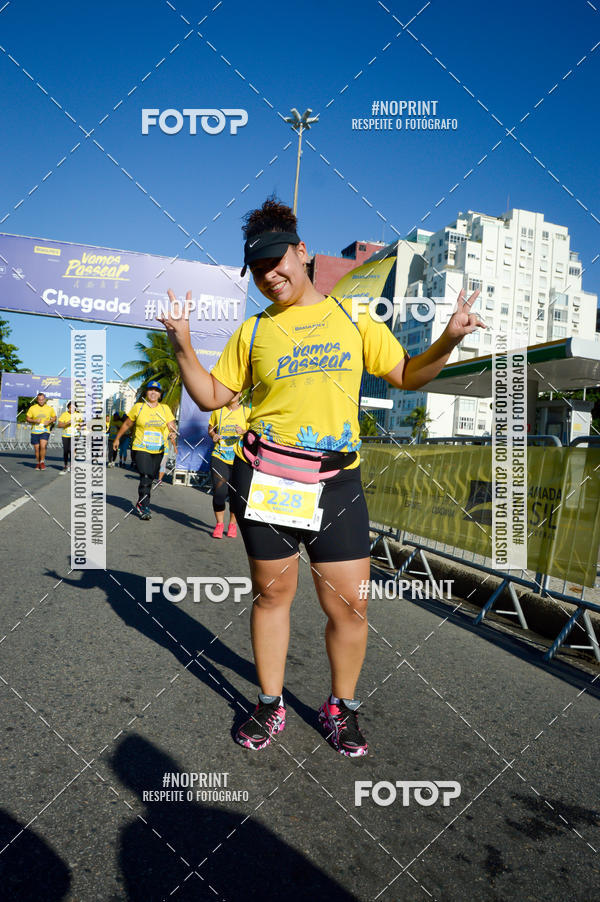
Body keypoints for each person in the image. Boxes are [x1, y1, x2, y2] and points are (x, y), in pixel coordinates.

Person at [158, 197, 483, 756]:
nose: (270, 275)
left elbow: (406, 375)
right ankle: (268, 704)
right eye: (257, 269)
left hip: (336, 484)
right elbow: (213, 397)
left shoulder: (353, 318)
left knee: (350, 605)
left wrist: (449, 337)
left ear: (302, 252)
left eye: (277, 260)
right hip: (268, 480)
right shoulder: (253, 332)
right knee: (271, 597)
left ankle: (341, 707)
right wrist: (184, 345)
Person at [112, 381, 177, 520]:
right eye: (150, 390)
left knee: (150, 477)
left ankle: (142, 501)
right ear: (146, 393)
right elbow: (127, 424)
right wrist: (117, 438)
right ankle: (144, 505)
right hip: (140, 447)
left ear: (160, 395)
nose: (153, 392)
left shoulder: (165, 409)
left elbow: (171, 425)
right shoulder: (139, 407)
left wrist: (172, 433)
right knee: (146, 475)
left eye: (156, 390)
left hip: (158, 449)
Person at [207, 393, 248, 538]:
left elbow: (255, 432)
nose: (233, 394)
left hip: (240, 459)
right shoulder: (219, 411)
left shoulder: (247, 412)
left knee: (236, 495)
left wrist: (244, 431)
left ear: (241, 394)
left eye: (236, 392)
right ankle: (219, 524)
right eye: (230, 391)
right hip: (220, 456)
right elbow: (211, 428)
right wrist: (213, 436)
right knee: (219, 492)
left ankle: (232, 524)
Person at [26, 392, 56, 470]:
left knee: (43, 446)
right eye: (39, 400)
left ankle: (42, 462)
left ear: (45, 400)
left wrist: (49, 422)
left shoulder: (49, 408)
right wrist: (35, 420)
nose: (41, 401)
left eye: (42, 400)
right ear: (37, 400)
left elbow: (54, 417)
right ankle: (38, 462)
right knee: (37, 448)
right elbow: (28, 418)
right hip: (35, 431)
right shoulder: (32, 408)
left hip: (45, 430)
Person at [56, 401, 79, 473]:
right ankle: (65, 465)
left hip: (74, 435)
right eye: (70, 407)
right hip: (65, 435)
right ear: (68, 407)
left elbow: (83, 425)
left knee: (71, 450)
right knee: (66, 451)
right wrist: (67, 423)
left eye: (73, 407)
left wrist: (80, 426)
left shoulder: (78, 415)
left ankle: (72, 465)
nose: (71, 409)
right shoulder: (64, 414)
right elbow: (59, 425)